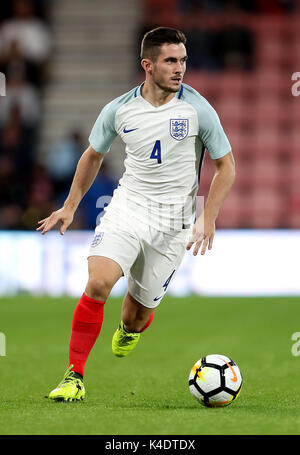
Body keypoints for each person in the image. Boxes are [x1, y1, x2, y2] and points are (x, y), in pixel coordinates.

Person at [37, 27, 235, 402]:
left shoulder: (198, 109)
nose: (180, 69)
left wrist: (207, 217)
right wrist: (69, 205)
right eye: (171, 61)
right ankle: (74, 376)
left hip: (173, 224)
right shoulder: (119, 109)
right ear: (148, 65)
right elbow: (92, 155)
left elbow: (227, 166)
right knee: (98, 283)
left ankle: (129, 329)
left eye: (183, 61)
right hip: (127, 208)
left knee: (135, 318)